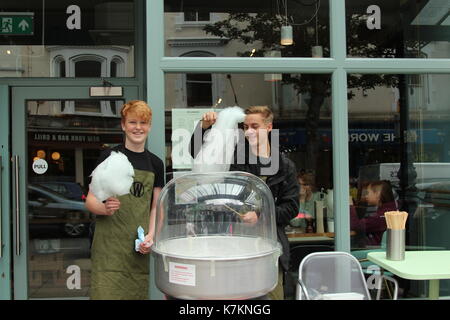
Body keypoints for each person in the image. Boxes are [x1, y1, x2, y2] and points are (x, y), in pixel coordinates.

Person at [190, 106, 299, 300]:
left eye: (255, 126)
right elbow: (198, 152)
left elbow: (291, 207)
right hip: (234, 246)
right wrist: (204, 127)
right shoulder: (235, 159)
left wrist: (261, 215)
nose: (249, 131)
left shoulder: (285, 165)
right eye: (246, 126)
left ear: (269, 128)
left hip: (271, 249)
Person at [85, 100, 165, 300]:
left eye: (143, 123)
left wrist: (152, 236)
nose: (138, 128)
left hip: (137, 250)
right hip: (108, 250)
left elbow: (156, 208)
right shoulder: (109, 157)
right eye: (132, 122)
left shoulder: (155, 163)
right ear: (123, 125)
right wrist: (104, 209)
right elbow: (90, 200)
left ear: (149, 126)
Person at [350, 180, 397, 247]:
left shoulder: (383, 216)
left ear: (378, 193)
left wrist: (350, 206)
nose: (366, 196)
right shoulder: (387, 211)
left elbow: (356, 225)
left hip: (373, 251)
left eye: (368, 192)